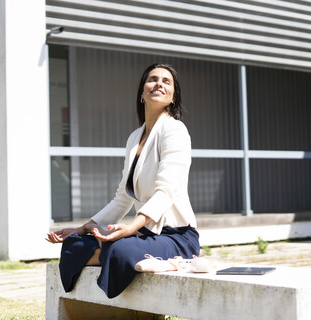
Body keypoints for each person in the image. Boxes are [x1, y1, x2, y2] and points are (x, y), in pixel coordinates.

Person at [46, 63, 199, 298]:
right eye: (153, 79)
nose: (159, 83)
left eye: (166, 81)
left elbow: (165, 192)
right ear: (141, 93)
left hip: (176, 237)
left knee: (120, 249)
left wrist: (130, 228)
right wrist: (82, 229)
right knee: (74, 244)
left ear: (172, 97)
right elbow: (122, 198)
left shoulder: (175, 130)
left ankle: (168, 259)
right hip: (146, 236)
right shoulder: (134, 138)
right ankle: (123, 256)